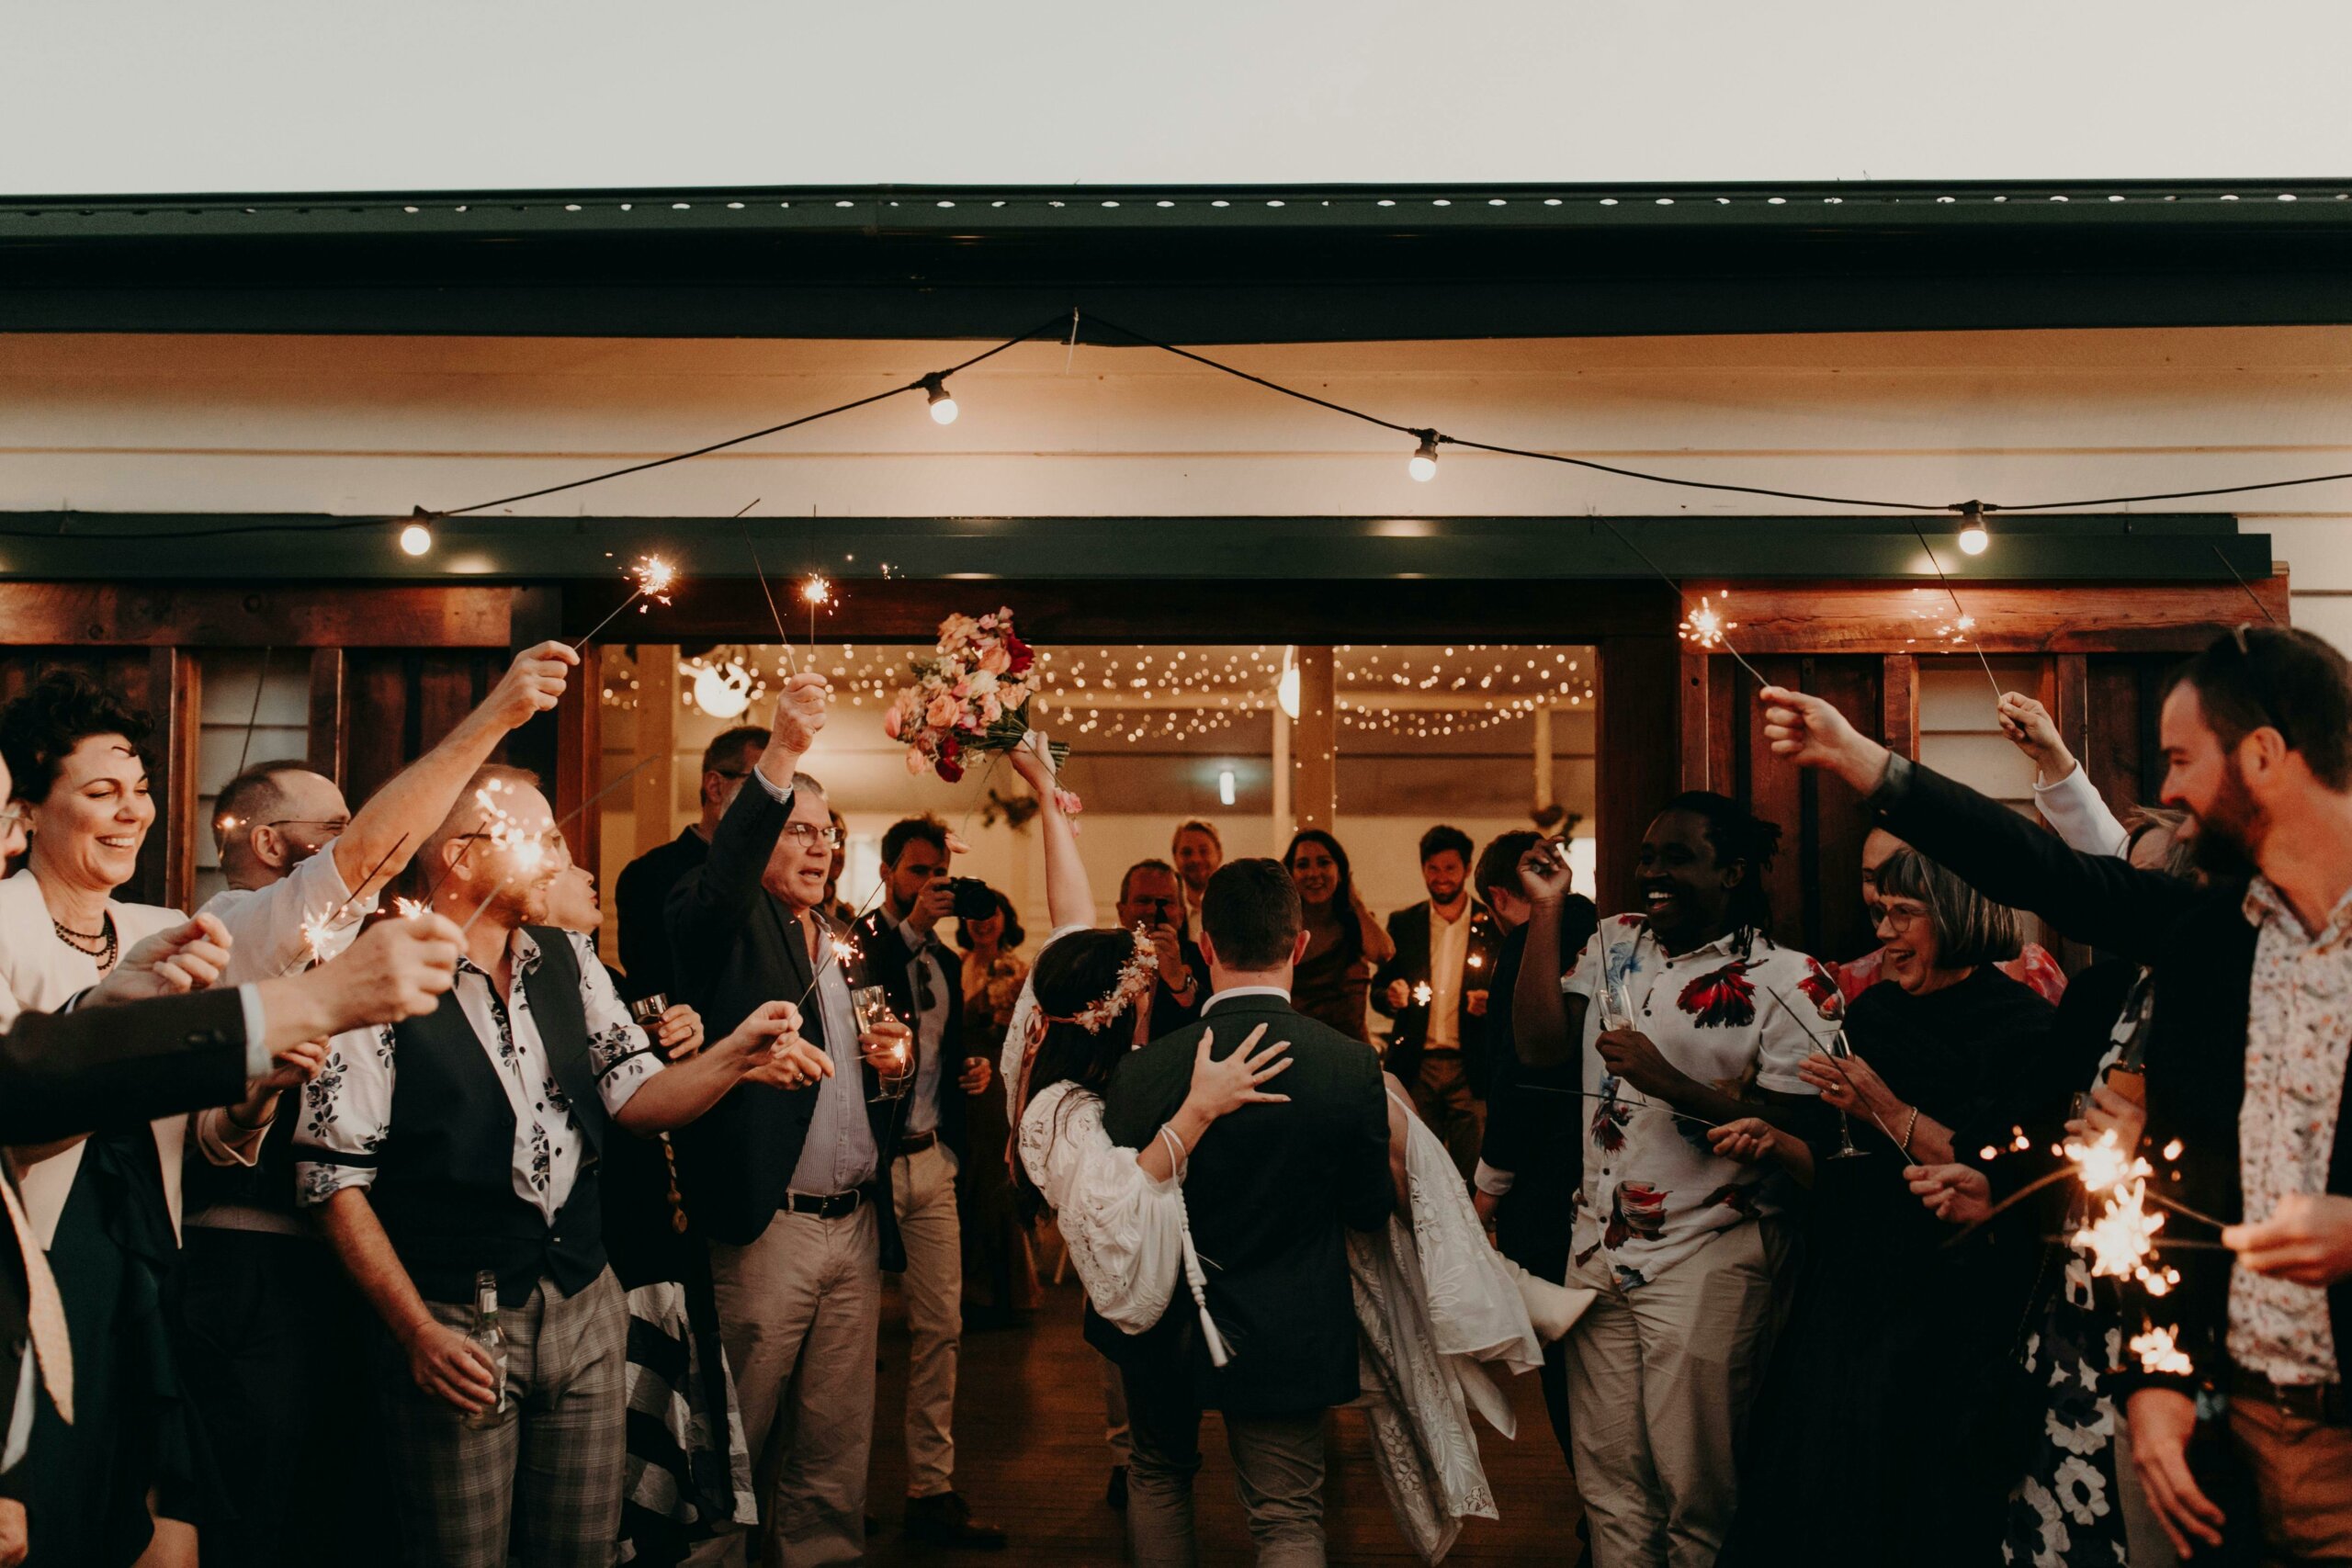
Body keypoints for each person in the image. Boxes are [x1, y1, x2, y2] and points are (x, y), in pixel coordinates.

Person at [1758, 628, 2352, 1566]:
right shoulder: (2217, 940)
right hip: (2223, 1426)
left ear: (2265, 756)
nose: (2168, 795)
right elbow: (2049, 876)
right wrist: (2159, 1378)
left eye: (2181, 760)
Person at [295, 765, 820, 1568]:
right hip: (455, 1315)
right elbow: (332, 1178)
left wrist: (736, 1055)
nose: (561, 858)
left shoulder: (568, 957)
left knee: (581, 1551)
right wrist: (416, 1330)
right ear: (462, 855)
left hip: (584, 1300)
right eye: (541, 839)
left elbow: (637, 1097)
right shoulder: (379, 971)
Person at [182, 638, 577, 1568]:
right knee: (262, 1507)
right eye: (333, 825)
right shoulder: (230, 928)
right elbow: (369, 855)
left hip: (357, 1266)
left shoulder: (372, 937)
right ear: (268, 843)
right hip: (256, 1264)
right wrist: (499, 713)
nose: (359, 836)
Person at [0, 669, 289, 1566]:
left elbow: (206, 1136)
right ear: (28, 808)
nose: (132, 811)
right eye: (100, 792)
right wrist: (105, 1010)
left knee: (167, 1533)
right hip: (41, 1276)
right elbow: (18, 1104)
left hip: (154, 1269)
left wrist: (257, 1090)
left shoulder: (163, 926)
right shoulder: (1, 927)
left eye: (140, 789)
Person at [1713, 846, 2058, 1568]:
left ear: (1957, 913)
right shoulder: (1872, 1012)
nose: (1884, 933)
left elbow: (2004, 1176)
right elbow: (1840, 1170)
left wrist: (1889, 1110)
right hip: (1849, 1295)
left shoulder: (2024, 1027)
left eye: (1904, 913)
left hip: (1950, 1312)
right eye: (1880, 913)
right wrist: (1778, 1142)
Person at [1511, 790, 1826, 1568]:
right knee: (1611, 1492)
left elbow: (1798, 1135)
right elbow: (1540, 1046)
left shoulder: (1791, 981)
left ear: (1733, 871)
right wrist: (1546, 912)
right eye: (1648, 856)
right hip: (1598, 1251)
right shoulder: (1614, 940)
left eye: (1677, 858)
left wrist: (1669, 1081)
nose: (1652, 872)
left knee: (1698, 1495)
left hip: (1708, 1253)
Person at [662, 675, 917, 1568]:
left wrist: (894, 1063)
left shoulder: (842, 941)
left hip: (855, 1225)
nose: (820, 845)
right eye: (798, 829)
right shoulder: (720, 921)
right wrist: (783, 753)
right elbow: (724, 875)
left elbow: (859, 1073)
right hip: (768, 1223)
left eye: (827, 832)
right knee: (737, 1437)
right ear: (756, 831)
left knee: (833, 1452)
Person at [1091, 857, 1397, 1567]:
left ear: (1205, 945)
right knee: (1287, 1518)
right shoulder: (1348, 1065)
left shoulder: (1142, 1070)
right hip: (1289, 1319)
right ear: (1300, 945)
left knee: (1157, 1476)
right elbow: (1368, 1210)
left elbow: (1124, 1202)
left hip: (1162, 1316)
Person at [545, 854, 758, 1568]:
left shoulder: (610, 982)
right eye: (559, 859)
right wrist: (736, 1055)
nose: (584, 871)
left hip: (654, 1231)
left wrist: (682, 1044)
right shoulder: (530, 992)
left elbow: (644, 1091)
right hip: (605, 1242)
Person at [854, 816, 1005, 1550]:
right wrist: (911, 925)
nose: (932, 885)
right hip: (867, 1166)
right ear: (887, 872)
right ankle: (835, 1495)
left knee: (942, 1328)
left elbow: (939, 1047)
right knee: (849, 1338)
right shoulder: (856, 944)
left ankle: (931, 1489)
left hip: (931, 1157)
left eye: (939, 873)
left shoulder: (944, 960)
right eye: (918, 871)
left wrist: (969, 1070)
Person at [1471, 829, 1597, 1472]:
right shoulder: (1604, 934)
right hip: (1602, 1172)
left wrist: (1488, 1188)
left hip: (1546, 1183)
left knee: (1567, 1367)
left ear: (1499, 897)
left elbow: (1517, 1076)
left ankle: (1597, 1506)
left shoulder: (1526, 948)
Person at [1374, 824, 1502, 1180]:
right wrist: (1391, 995)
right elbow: (1378, 990)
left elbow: (1512, 994)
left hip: (1472, 1067)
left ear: (1467, 869)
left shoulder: (1491, 924)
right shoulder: (1404, 923)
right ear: (1423, 869)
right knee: (1416, 1169)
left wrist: (1491, 1005)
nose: (1441, 877)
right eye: (1433, 868)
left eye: (1449, 868)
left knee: (1473, 1170)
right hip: (1417, 1066)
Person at [615, 726, 768, 1004]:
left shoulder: (774, 871)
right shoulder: (649, 875)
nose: (773, 801)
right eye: (761, 785)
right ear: (715, 787)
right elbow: (650, 983)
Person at [1835, 826, 2068, 1006]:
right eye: (1870, 878)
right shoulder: (1858, 991)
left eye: (1902, 874)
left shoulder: (2029, 976)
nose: (1880, 893)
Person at [956, 887, 1039, 1325]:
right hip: (959, 1083)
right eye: (975, 914)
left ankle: (1004, 1293)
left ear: (1006, 919)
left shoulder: (1017, 970)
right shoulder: (955, 963)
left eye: (992, 913)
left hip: (997, 1087)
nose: (983, 921)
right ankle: (967, 1288)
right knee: (965, 1181)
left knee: (994, 1181)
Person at [1282, 829, 1394, 1044]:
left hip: (1351, 1051)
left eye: (1324, 863)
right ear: (1291, 876)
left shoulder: (1355, 922)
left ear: (1340, 872)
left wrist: (1356, 901)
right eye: (1303, 865)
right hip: (1297, 1050)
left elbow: (1383, 953)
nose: (1314, 873)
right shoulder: (1283, 929)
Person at [1116, 859, 1205, 1038]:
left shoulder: (1203, 958)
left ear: (1181, 913)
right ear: (1121, 911)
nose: (1153, 910)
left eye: (1165, 902)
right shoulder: (1101, 960)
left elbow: (1214, 1021)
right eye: (1143, 901)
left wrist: (1179, 980)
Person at [1170, 819, 1223, 943]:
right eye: (1186, 852)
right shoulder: (1168, 915)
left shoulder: (1236, 911)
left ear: (1219, 855)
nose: (1196, 859)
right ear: (1175, 857)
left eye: (1204, 851)